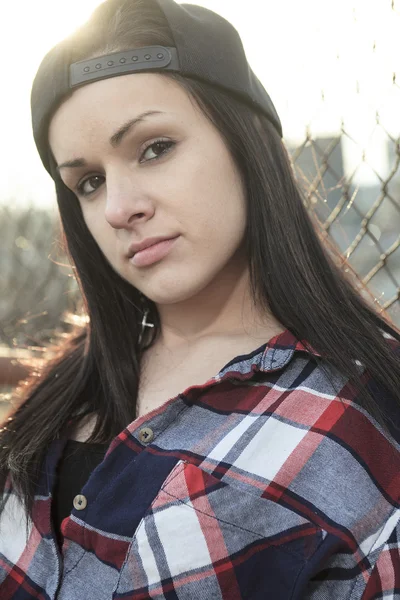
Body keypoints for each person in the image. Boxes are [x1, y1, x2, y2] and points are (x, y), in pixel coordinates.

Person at [0, 0, 399, 597]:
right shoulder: (68, 380)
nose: (117, 208)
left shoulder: (361, 421)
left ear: (245, 141)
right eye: (88, 181)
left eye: (154, 148)